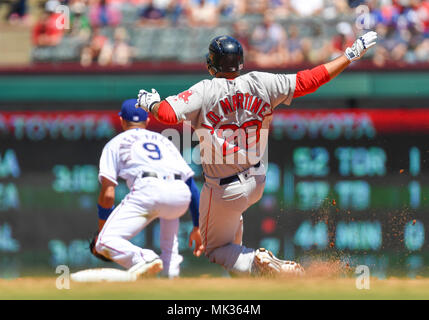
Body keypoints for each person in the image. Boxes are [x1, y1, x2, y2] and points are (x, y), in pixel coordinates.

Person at [135, 32, 377, 277]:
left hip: (224, 189)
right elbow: (308, 80)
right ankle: (253, 276)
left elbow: (166, 113)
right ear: (240, 61)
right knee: (232, 249)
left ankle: (263, 262)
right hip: (258, 179)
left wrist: (151, 103)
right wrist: (348, 56)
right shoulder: (261, 82)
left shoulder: (205, 90)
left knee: (215, 249)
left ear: (212, 63)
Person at [91, 99, 204, 278]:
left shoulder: (115, 143)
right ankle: (170, 278)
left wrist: (103, 228)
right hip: (180, 194)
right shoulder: (164, 141)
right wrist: (198, 225)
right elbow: (191, 184)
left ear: (122, 120)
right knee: (170, 251)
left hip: (149, 190)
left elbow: (108, 193)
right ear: (148, 121)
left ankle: (144, 258)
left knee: (104, 242)